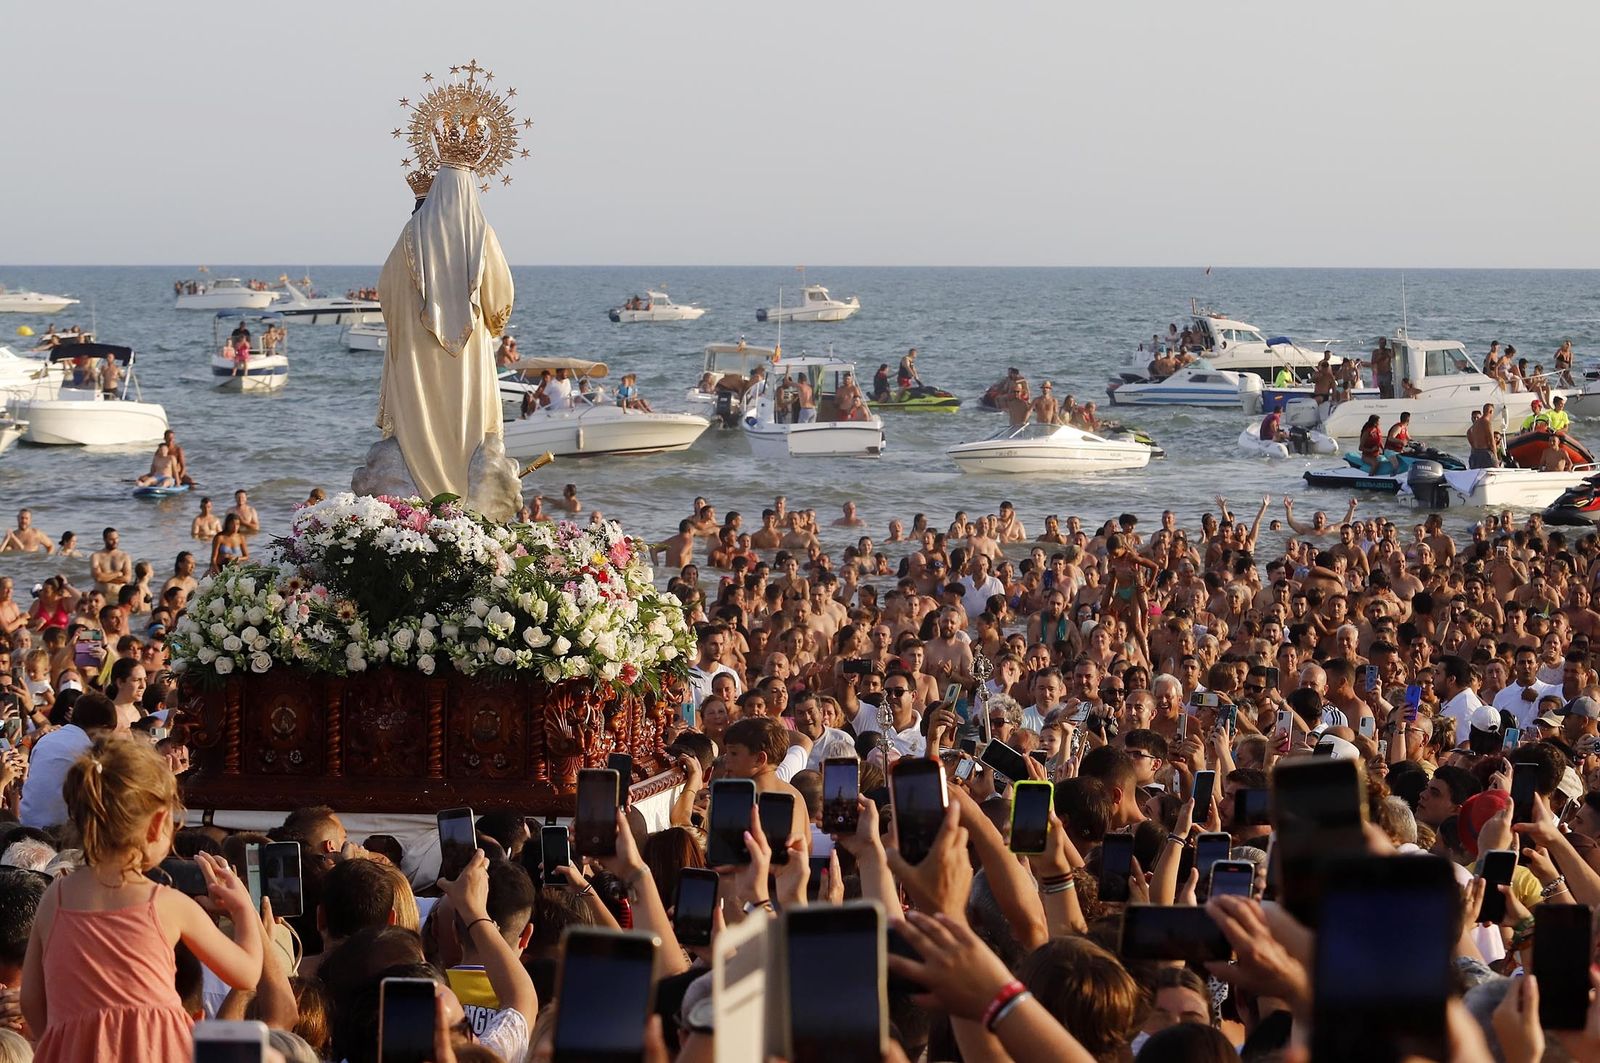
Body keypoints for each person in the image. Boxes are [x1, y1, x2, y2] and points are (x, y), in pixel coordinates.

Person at [21, 737, 264, 1062]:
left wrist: (66, 1037)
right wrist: (243, 908)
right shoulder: (167, 904)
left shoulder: (56, 896)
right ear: (157, 826)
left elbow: (32, 1000)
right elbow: (247, 973)